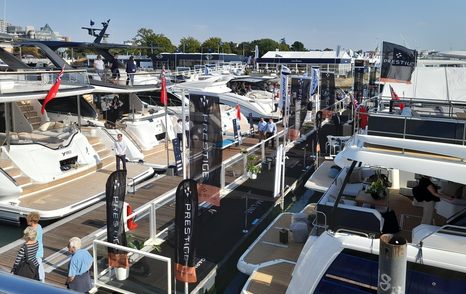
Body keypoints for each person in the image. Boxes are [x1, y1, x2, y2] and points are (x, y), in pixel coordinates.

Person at [26, 212, 44, 282]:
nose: (26, 220)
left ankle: (41, 282)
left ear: (31, 220)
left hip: (35, 252)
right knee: (39, 266)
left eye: (28, 219)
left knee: (38, 268)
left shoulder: (33, 230)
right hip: (39, 250)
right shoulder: (39, 226)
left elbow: (31, 241)